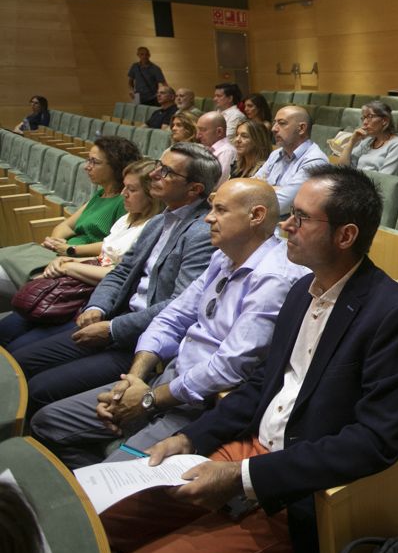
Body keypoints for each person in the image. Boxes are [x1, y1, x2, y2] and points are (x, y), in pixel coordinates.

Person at [98, 165, 398, 553]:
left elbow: (374, 440)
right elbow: (262, 384)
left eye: (301, 218)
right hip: (245, 450)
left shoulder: (395, 315)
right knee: (105, 522)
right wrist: (190, 437)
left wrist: (246, 476)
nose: (286, 225)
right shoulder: (299, 290)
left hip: (299, 488)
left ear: (345, 236)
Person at [31, 179, 308, 469]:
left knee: (105, 483)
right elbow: (171, 318)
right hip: (162, 381)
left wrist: (149, 400)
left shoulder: (275, 278)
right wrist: (135, 380)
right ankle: (102, 463)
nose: (208, 217)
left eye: (220, 210)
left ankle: (106, 476)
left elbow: (230, 366)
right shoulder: (223, 258)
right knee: (47, 423)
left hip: (199, 405)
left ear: (256, 216)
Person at [9, 143, 219, 415]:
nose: (154, 174)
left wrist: (112, 328)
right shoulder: (159, 221)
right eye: (158, 165)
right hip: (114, 317)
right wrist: (97, 308)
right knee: (20, 359)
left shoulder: (201, 233)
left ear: (194, 189)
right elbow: (122, 271)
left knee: (39, 388)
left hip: (141, 342)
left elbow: (177, 304)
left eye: (166, 172)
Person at [0, 160, 162, 351]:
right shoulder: (127, 218)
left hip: (97, 298)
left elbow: (123, 275)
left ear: (151, 195)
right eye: (124, 186)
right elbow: (102, 256)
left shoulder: (152, 228)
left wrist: (70, 266)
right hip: (79, 283)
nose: (123, 194)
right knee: (7, 328)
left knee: (20, 348)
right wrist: (66, 260)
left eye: (131, 190)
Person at [0, 136, 142, 298]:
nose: (87, 167)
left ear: (116, 167)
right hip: (60, 255)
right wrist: (56, 242)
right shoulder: (101, 194)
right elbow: (65, 226)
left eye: (94, 162)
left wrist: (71, 250)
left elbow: (115, 246)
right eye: (88, 160)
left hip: (81, 264)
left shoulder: (125, 202)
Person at [254, 105, 329, 215]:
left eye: (282, 123)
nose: (274, 128)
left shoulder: (315, 161)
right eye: (275, 122)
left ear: (301, 128)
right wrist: (276, 189)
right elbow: (251, 186)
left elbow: (281, 205)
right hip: (264, 219)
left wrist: (264, 187)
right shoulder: (276, 154)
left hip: (289, 227)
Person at [328, 100, 398, 175]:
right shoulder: (368, 141)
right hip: (355, 183)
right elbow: (343, 168)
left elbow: (385, 180)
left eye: (370, 116)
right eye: (364, 118)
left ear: (384, 121)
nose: (365, 122)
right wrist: (352, 142)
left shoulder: (397, 145)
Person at [196, 111, 236, 184]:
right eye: (198, 130)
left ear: (219, 131)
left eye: (203, 130)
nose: (198, 135)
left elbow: (217, 183)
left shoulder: (226, 152)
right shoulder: (208, 148)